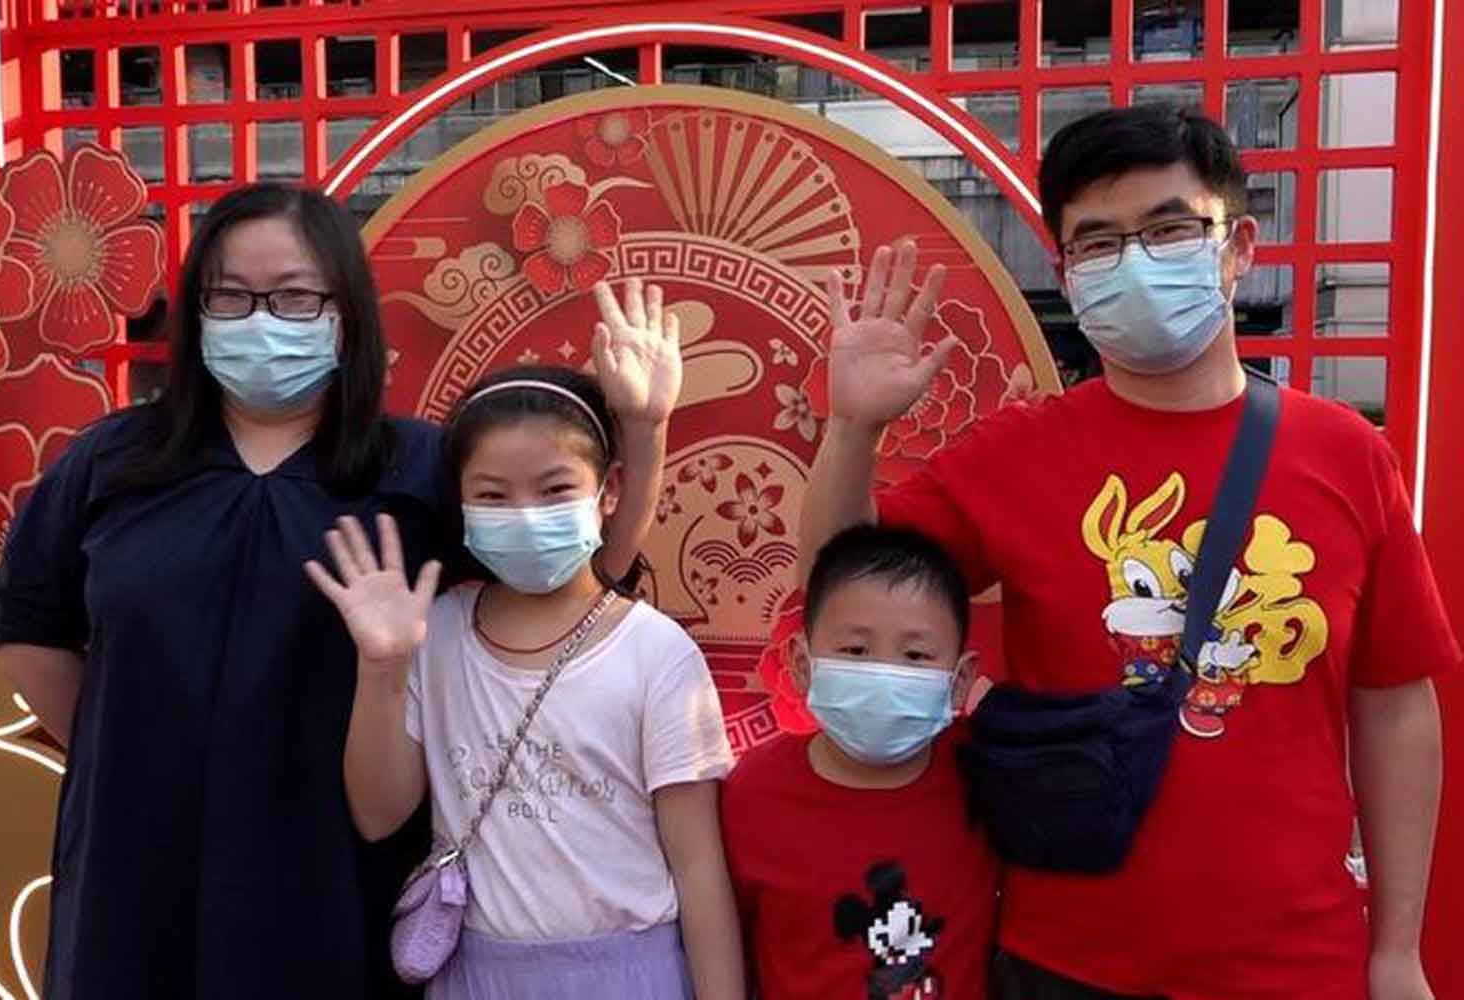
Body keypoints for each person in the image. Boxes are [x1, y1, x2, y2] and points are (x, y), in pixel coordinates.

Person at [798, 106, 1456, 1000]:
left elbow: (1396, 708)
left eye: (1170, 228)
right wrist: (853, 428)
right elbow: (836, 590)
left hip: (1298, 962)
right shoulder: (1012, 455)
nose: (1136, 260)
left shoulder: (1344, 453)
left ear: (1238, 245)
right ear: (1066, 273)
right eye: (1097, 243)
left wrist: (1397, 949)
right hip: (1064, 963)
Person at [0, 183, 671, 1000]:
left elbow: (567, 586)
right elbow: (28, 629)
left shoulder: (415, 468)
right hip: (136, 858)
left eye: (294, 296)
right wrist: (136, 741)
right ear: (197, 310)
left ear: (345, 311)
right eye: (231, 295)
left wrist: (644, 432)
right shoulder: (111, 462)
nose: (260, 318)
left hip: (337, 860)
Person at [307, 360, 744, 1000]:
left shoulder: (657, 652)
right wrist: (382, 667)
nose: (525, 514)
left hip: (627, 978)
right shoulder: (436, 634)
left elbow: (700, 871)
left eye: (554, 489)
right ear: (459, 502)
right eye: (492, 495)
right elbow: (378, 816)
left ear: (609, 491)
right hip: (475, 976)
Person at [721, 524, 996, 1000]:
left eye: (915, 655)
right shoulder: (751, 792)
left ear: (960, 677)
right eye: (855, 650)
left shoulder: (987, 778)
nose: (884, 673)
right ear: (802, 665)